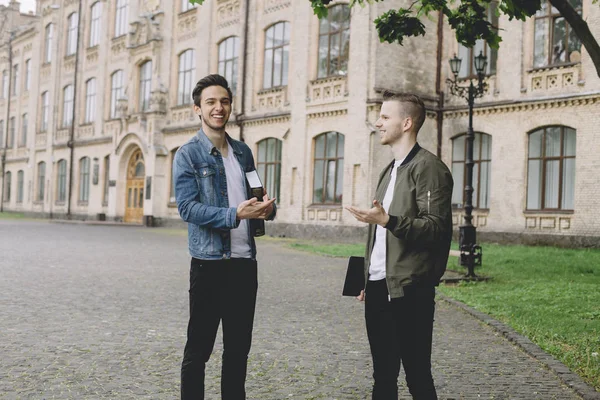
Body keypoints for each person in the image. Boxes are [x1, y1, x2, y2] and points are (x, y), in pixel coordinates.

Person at [173, 74, 276, 400]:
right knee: (199, 350)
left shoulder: (243, 152)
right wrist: (235, 215)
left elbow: (253, 197)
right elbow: (188, 208)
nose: (219, 108)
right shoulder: (188, 154)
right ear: (197, 109)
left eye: (224, 101)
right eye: (211, 102)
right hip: (210, 264)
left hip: (245, 264)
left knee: (237, 350)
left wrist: (266, 209)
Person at [346, 91, 453, 400]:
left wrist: (387, 220)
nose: (378, 123)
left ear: (406, 123)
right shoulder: (390, 170)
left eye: (385, 117)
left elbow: (435, 228)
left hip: (411, 289)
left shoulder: (429, 168)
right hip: (380, 287)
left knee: (417, 374)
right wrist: (366, 277)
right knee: (383, 376)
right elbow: (380, 233)